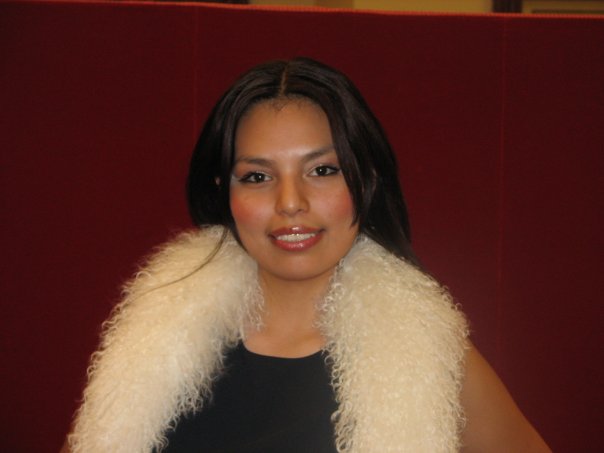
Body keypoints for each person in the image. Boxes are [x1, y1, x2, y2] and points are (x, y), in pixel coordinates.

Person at [62, 58, 550, 452]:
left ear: (367, 183)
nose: (290, 201)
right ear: (224, 195)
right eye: (257, 176)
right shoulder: (151, 337)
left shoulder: (427, 354)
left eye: (322, 171)